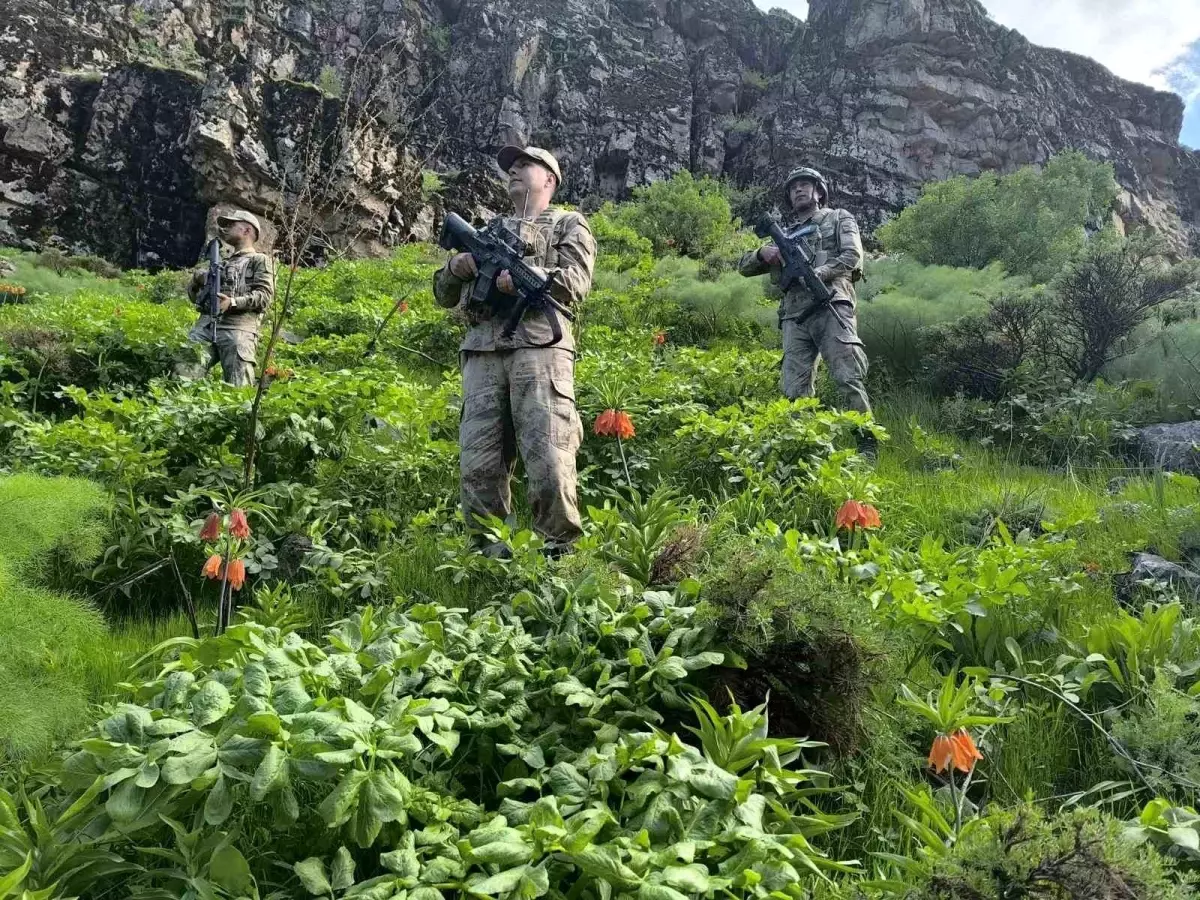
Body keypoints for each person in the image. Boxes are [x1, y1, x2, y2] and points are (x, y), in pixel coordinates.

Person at [433, 145, 597, 557]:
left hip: (540, 350)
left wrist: (531, 278)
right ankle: (488, 555)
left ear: (550, 179)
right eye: (511, 166)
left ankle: (559, 553)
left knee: (550, 454)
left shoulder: (568, 223)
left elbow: (577, 282)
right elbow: (443, 295)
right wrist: (455, 268)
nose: (515, 171)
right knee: (478, 462)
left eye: (526, 165)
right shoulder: (487, 230)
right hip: (482, 353)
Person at [738, 167, 875, 453]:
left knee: (847, 376)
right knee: (794, 388)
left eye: (804, 184)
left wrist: (818, 273)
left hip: (831, 303)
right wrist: (761, 253)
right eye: (793, 187)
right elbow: (744, 268)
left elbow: (852, 255)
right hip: (794, 316)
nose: (798, 190)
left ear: (819, 191)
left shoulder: (838, 217)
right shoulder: (784, 235)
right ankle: (802, 449)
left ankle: (867, 443)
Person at [187, 210, 275, 387]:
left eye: (231, 224)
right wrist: (197, 282)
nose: (225, 228)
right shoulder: (220, 264)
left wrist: (233, 302)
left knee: (238, 388)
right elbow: (196, 299)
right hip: (206, 326)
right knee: (182, 374)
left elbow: (264, 296)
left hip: (238, 330)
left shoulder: (259, 260)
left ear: (247, 230)